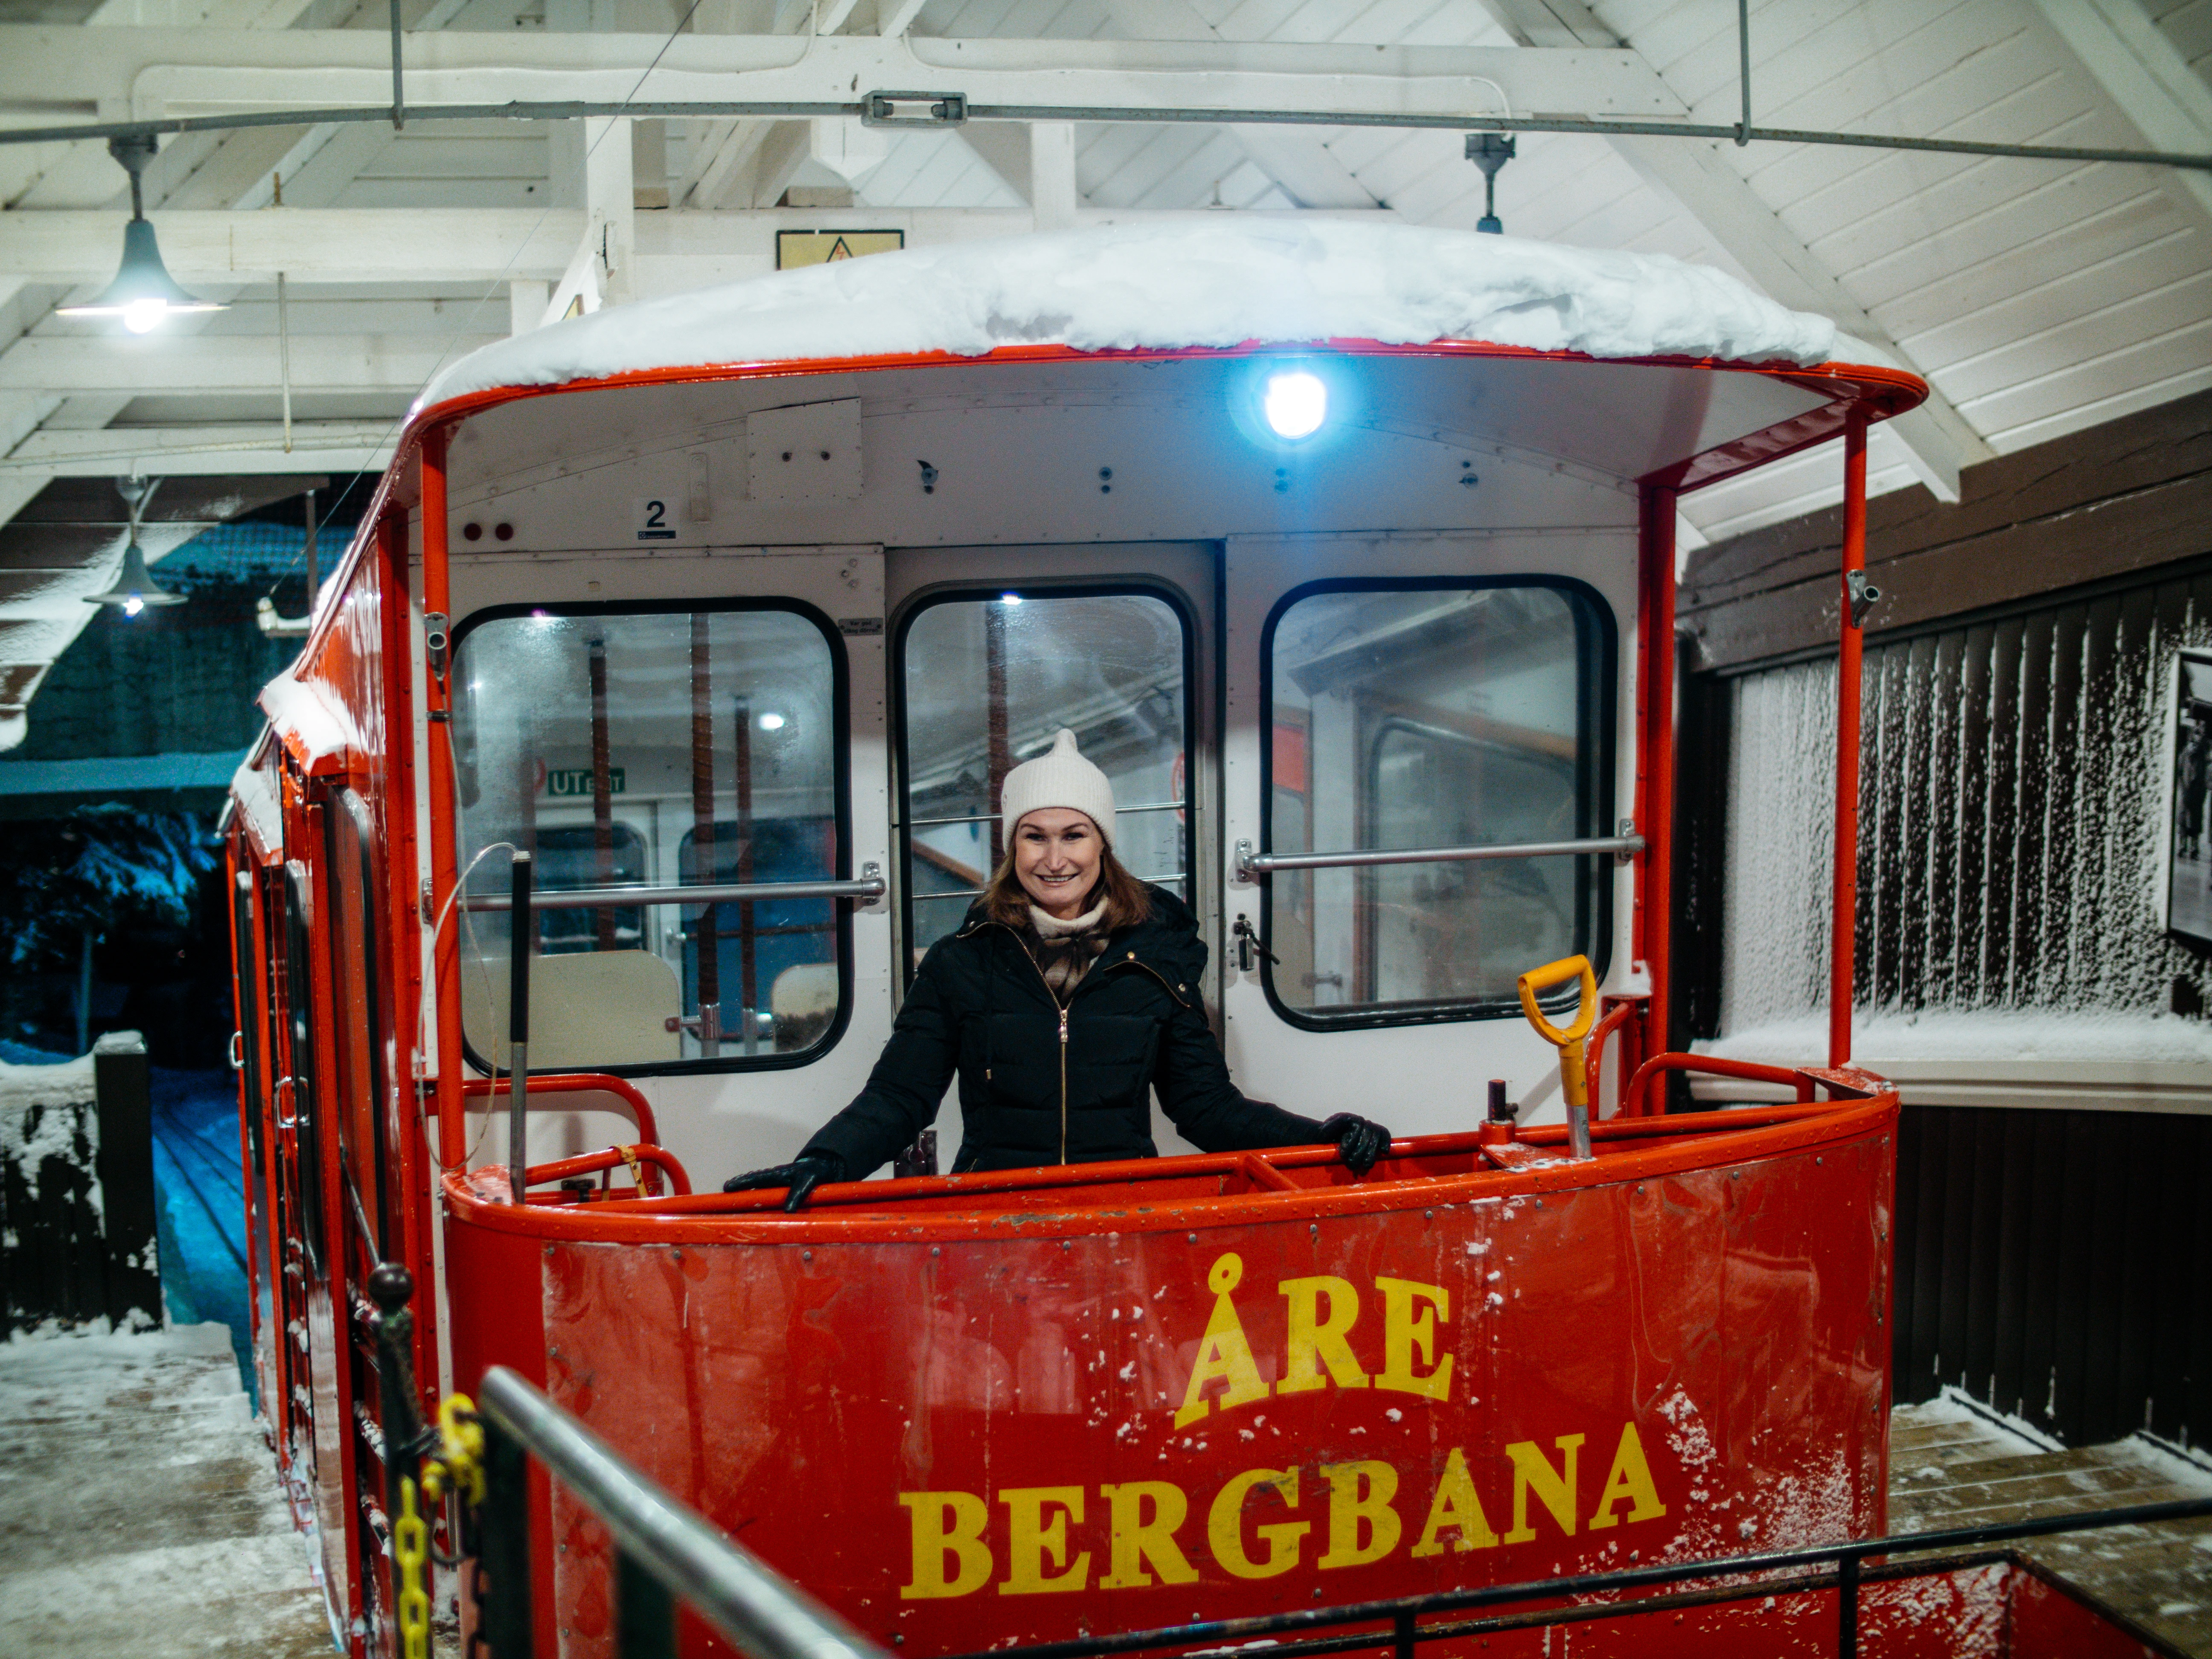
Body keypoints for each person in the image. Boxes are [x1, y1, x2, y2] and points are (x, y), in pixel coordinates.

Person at [725, 728, 1392, 1209]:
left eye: (1073, 834)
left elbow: (1207, 1108)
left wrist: (1320, 1139)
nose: (1054, 859)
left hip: (1125, 1208)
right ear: (1012, 844)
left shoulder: (1157, 959)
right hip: (996, 1209)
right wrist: (825, 1160)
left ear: (1103, 841)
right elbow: (900, 1098)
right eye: (1033, 835)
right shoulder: (963, 964)